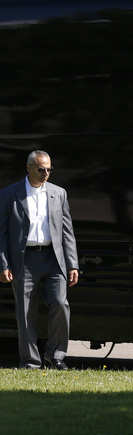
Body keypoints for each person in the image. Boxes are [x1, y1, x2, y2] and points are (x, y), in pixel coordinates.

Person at [0, 150, 79, 369]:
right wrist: (3, 263)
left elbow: (67, 231)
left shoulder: (58, 193)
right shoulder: (9, 194)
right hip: (24, 260)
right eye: (41, 169)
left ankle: (56, 357)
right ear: (29, 168)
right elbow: (1, 233)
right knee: (25, 312)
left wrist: (72, 264)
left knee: (60, 304)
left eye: (49, 169)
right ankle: (31, 362)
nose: (46, 173)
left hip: (53, 258)